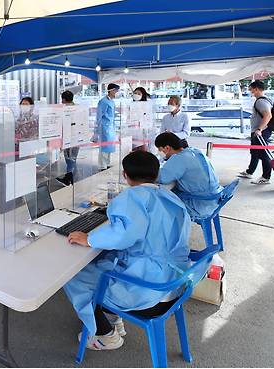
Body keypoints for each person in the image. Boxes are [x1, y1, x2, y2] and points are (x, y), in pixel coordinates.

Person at [63, 150, 191, 351]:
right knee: (103, 262)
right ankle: (114, 318)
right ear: (157, 174)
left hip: (149, 290)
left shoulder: (133, 197)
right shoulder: (170, 196)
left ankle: (105, 334)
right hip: (175, 283)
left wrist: (89, 239)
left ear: (125, 175)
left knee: (74, 277)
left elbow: (123, 235)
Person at [155, 132, 222, 220]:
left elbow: (163, 178)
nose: (160, 153)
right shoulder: (194, 151)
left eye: (160, 150)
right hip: (213, 200)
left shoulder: (178, 159)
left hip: (199, 205)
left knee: (158, 201)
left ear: (167, 148)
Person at [239, 80, 273, 185]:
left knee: (264, 154)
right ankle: (250, 171)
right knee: (254, 152)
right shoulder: (263, 100)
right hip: (258, 131)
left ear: (256, 89)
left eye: (251, 89)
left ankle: (266, 177)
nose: (250, 91)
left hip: (261, 131)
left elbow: (268, 115)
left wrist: (259, 129)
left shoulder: (261, 101)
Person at [57, 91, 79, 186]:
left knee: (69, 159)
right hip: (78, 136)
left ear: (63, 99)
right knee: (73, 158)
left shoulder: (64, 110)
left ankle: (68, 179)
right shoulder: (78, 107)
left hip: (68, 138)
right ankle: (72, 177)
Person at [96, 84, 119, 171]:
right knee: (104, 147)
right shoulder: (103, 102)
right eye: (116, 91)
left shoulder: (112, 101)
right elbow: (99, 116)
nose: (116, 93)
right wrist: (97, 129)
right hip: (104, 127)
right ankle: (102, 165)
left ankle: (107, 163)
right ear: (111, 90)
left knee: (109, 146)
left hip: (110, 127)